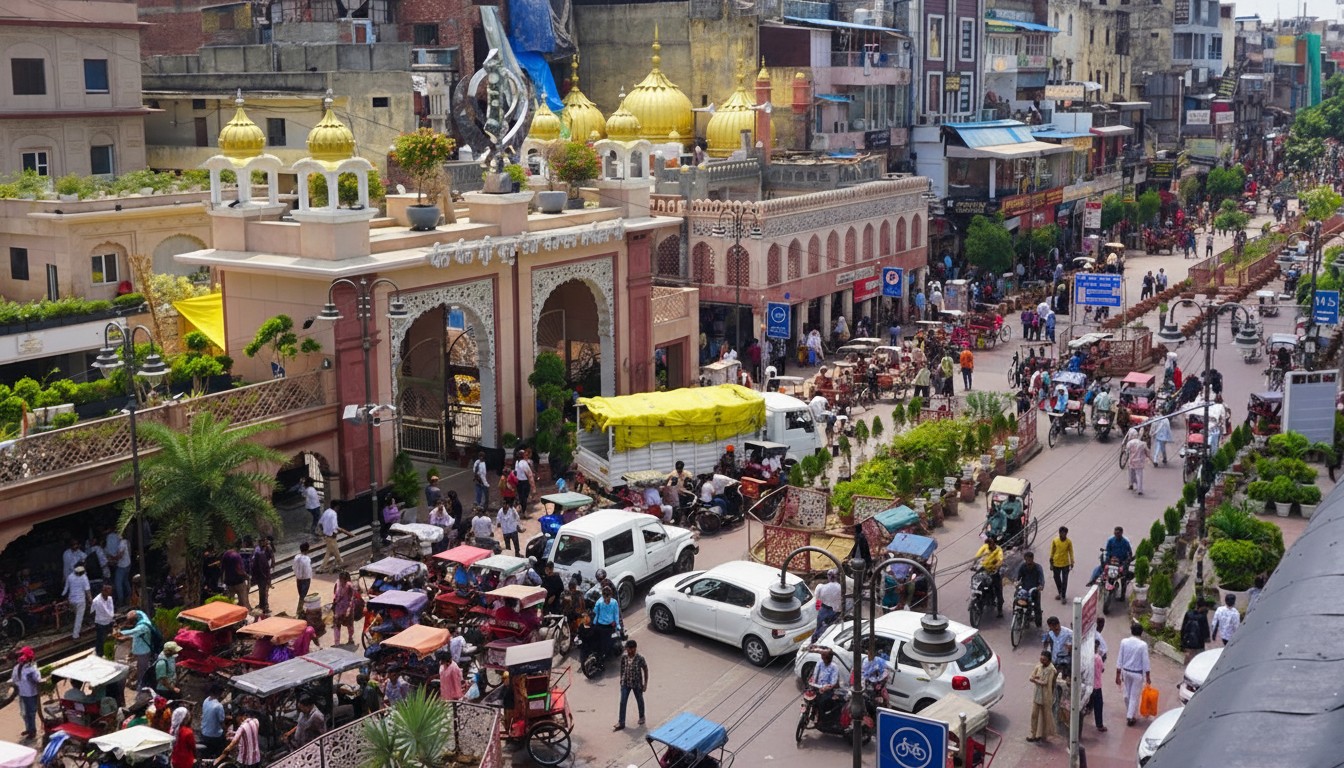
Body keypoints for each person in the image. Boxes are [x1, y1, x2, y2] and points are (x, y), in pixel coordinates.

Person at [1116, 622, 1151, 726]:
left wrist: (1117, 674)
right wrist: (1148, 677)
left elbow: (1119, 658)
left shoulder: (1124, 642)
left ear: (1131, 631)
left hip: (1126, 672)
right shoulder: (1143, 645)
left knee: (1127, 695)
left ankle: (1130, 714)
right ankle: (1130, 715)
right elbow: (1146, 662)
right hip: (1137, 674)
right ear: (1141, 633)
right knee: (1133, 696)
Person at [613, 639, 649, 731]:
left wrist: (645, 684)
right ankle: (621, 722)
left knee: (639, 700)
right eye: (627, 649)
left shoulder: (640, 658)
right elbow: (622, 668)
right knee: (622, 702)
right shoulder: (624, 657)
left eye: (629, 649)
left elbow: (645, 670)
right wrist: (621, 679)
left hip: (636, 683)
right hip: (626, 683)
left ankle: (642, 716)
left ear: (634, 649)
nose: (628, 651)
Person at [117, 609, 156, 689]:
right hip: (139, 648)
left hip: (143, 651)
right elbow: (137, 611)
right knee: (136, 666)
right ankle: (136, 680)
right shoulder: (142, 615)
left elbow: (133, 632)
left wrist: (119, 633)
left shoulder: (142, 627)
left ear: (135, 621)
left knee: (142, 669)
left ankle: (141, 686)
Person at [1027, 650, 1057, 743]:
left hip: (1046, 696)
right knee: (1034, 715)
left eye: (1044, 660)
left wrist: (1035, 680)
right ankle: (1033, 734)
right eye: (1041, 659)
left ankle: (1043, 734)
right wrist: (1034, 678)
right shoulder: (1038, 666)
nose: (1042, 661)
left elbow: (1045, 682)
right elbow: (1031, 676)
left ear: (1048, 660)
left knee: (1045, 716)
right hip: (1037, 695)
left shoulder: (1051, 670)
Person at [808, 647, 844, 724]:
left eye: (824, 656)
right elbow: (815, 674)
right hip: (816, 686)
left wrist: (826, 688)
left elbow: (833, 683)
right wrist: (812, 681)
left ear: (829, 658)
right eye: (822, 656)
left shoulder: (834, 667)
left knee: (821, 702)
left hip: (827, 690)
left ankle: (821, 719)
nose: (823, 657)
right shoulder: (820, 663)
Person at [11, 646, 40, 741]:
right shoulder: (30, 668)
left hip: (25, 693)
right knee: (28, 713)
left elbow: (14, 680)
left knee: (28, 713)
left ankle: (31, 730)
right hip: (28, 693)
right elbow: (38, 679)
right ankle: (30, 730)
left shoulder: (19, 668)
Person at [588, 585, 622, 665]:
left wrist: (617, 625)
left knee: (606, 643)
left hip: (610, 626)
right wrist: (593, 624)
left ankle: (604, 656)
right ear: (603, 595)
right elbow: (595, 613)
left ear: (611, 595)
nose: (607, 599)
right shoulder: (599, 602)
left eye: (608, 596)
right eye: (605, 596)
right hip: (600, 625)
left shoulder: (614, 602)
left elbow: (616, 614)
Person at [318, 501, 351, 573]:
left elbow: (320, 523)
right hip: (332, 536)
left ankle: (323, 567)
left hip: (327, 536)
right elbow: (335, 527)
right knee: (335, 552)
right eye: (338, 507)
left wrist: (324, 531)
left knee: (329, 552)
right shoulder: (334, 514)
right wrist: (347, 533)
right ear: (336, 507)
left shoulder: (326, 511)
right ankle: (339, 564)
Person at [974, 538, 1004, 618]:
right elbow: (978, 555)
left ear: (993, 544)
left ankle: (1000, 610)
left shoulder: (998, 550)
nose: (988, 547)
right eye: (987, 545)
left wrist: (997, 566)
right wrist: (974, 564)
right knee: (975, 579)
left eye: (990, 545)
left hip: (994, 571)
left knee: (998, 591)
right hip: (984, 569)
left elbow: (1000, 560)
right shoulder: (985, 546)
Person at [1015, 551, 1045, 626]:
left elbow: (1041, 578)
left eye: (1029, 560)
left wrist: (1041, 586)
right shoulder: (1022, 566)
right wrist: (1016, 582)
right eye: (1026, 560)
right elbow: (1018, 577)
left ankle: (1038, 623)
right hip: (1024, 589)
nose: (1028, 562)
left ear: (1032, 559)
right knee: (1016, 600)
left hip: (1034, 590)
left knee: (1037, 607)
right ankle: (1016, 616)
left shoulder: (1038, 567)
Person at [331, 571, 361, 646]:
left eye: (343, 580)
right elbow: (334, 594)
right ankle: (337, 643)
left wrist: (349, 609)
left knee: (350, 625)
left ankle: (350, 639)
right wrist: (334, 604)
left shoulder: (350, 586)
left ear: (346, 580)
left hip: (348, 609)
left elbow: (352, 598)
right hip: (338, 609)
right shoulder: (337, 583)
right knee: (337, 625)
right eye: (341, 579)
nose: (342, 582)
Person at [813, 569, 843, 639]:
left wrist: (817, 609)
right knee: (831, 630)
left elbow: (817, 600)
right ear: (837, 576)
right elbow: (841, 602)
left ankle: (815, 640)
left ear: (828, 576)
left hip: (823, 610)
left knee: (819, 628)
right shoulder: (841, 588)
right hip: (835, 612)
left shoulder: (820, 587)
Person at [63, 564, 91, 640]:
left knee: (77, 616)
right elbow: (87, 591)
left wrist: (63, 597)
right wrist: (90, 600)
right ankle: (75, 636)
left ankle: (78, 628)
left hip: (72, 600)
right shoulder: (84, 577)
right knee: (79, 618)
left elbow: (66, 589)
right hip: (80, 600)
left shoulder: (70, 576)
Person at [1049, 527, 1074, 603]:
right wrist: (1051, 562)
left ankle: (1063, 596)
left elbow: (1071, 552)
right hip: (1056, 563)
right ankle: (1060, 592)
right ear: (1059, 533)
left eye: (1065, 533)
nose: (1063, 535)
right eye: (1062, 533)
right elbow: (1052, 551)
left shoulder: (1068, 542)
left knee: (1065, 580)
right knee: (1056, 578)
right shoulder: (1055, 541)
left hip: (1065, 564)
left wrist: (1072, 561)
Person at [92, 583, 116, 658]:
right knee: (101, 639)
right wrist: (112, 616)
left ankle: (107, 652)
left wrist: (112, 618)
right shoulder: (97, 601)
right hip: (100, 623)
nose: (110, 592)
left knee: (109, 638)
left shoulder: (109, 598)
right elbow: (107, 612)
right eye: (107, 590)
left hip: (108, 621)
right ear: (103, 591)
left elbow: (111, 610)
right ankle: (99, 654)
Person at [252, 537, 274, 615]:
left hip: (264, 572)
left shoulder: (267, 548)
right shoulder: (258, 551)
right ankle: (263, 606)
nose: (264, 542)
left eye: (265, 541)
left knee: (264, 591)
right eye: (262, 541)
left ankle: (264, 606)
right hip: (262, 574)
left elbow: (272, 558)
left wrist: (271, 568)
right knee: (263, 591)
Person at [1089, 638, 1107, 733]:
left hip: (1087, 684)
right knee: (1098, 705)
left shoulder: (1085, 656)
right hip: (1096, 685)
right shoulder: (1098, 658)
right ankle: (1099, 725)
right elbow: (1102, 669)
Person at [513, 449, 535, 514]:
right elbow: (528, 474)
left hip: (520, 482)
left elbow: (516, 472)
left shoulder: (520, 462)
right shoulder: (523, 463)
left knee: (522, 496)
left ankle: (522, 509)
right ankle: (523, 510)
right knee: (524, 497)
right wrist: (532, 485)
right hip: (524, 482)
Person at [293, 542, 314, 611]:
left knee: (301, 595)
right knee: (303, 596)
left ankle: (302, 609)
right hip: (306, 579)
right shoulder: (307, 559)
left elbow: (294, 568)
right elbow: (308, 570)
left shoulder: (296, 557)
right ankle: (299, 610)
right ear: (307, 549)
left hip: (298, 579)